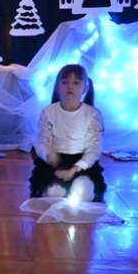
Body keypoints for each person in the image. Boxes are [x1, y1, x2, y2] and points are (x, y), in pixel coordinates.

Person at [29, 63, 106, 202]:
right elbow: (42, 141)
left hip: (81, 164)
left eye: (76, 83)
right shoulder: (48, 112)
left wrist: (75, 169)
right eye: (65, 82)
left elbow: (94, 148)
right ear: (58, 87)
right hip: (55, 163)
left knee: (83, 192)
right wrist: (49, 154)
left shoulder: (92, 114)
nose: (70, 86)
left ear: (84, 88)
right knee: (53, 193)